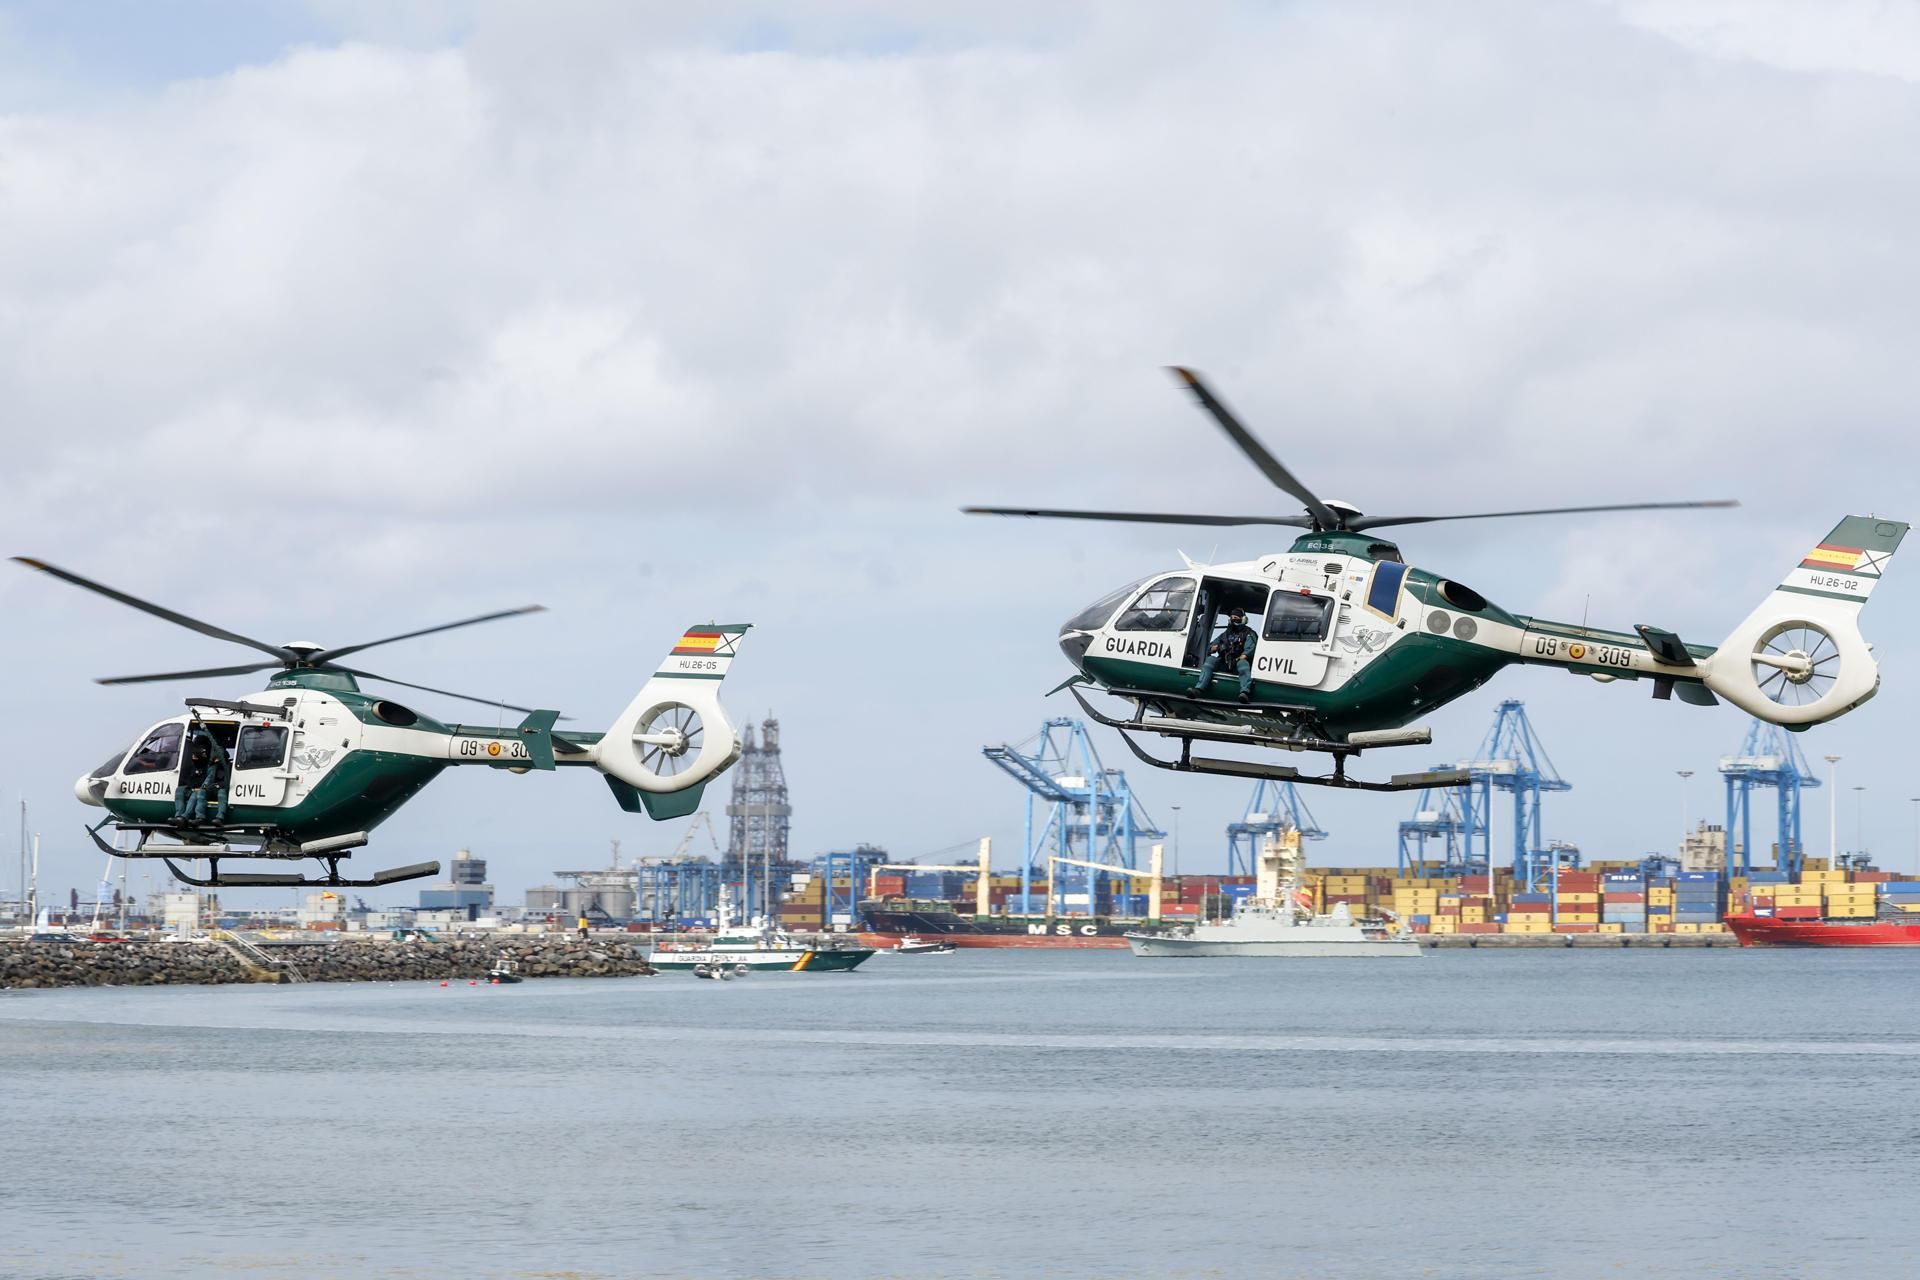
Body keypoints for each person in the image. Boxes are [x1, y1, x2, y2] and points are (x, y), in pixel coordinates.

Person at [1191, 607, 1258, 703]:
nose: (1233, 619)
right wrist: (1213, 648)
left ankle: (1245, 692)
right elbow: (1211, 647)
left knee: (1243, 664)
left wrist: (1243, 656)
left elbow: (1250, 648)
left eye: (1236, 617)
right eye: (1232, 617)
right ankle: (1198, 689)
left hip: (1237, 663)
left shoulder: (1248, 634)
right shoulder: (1225, 634)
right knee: (1210, 660)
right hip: (1224, 662)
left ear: (1243, 619)